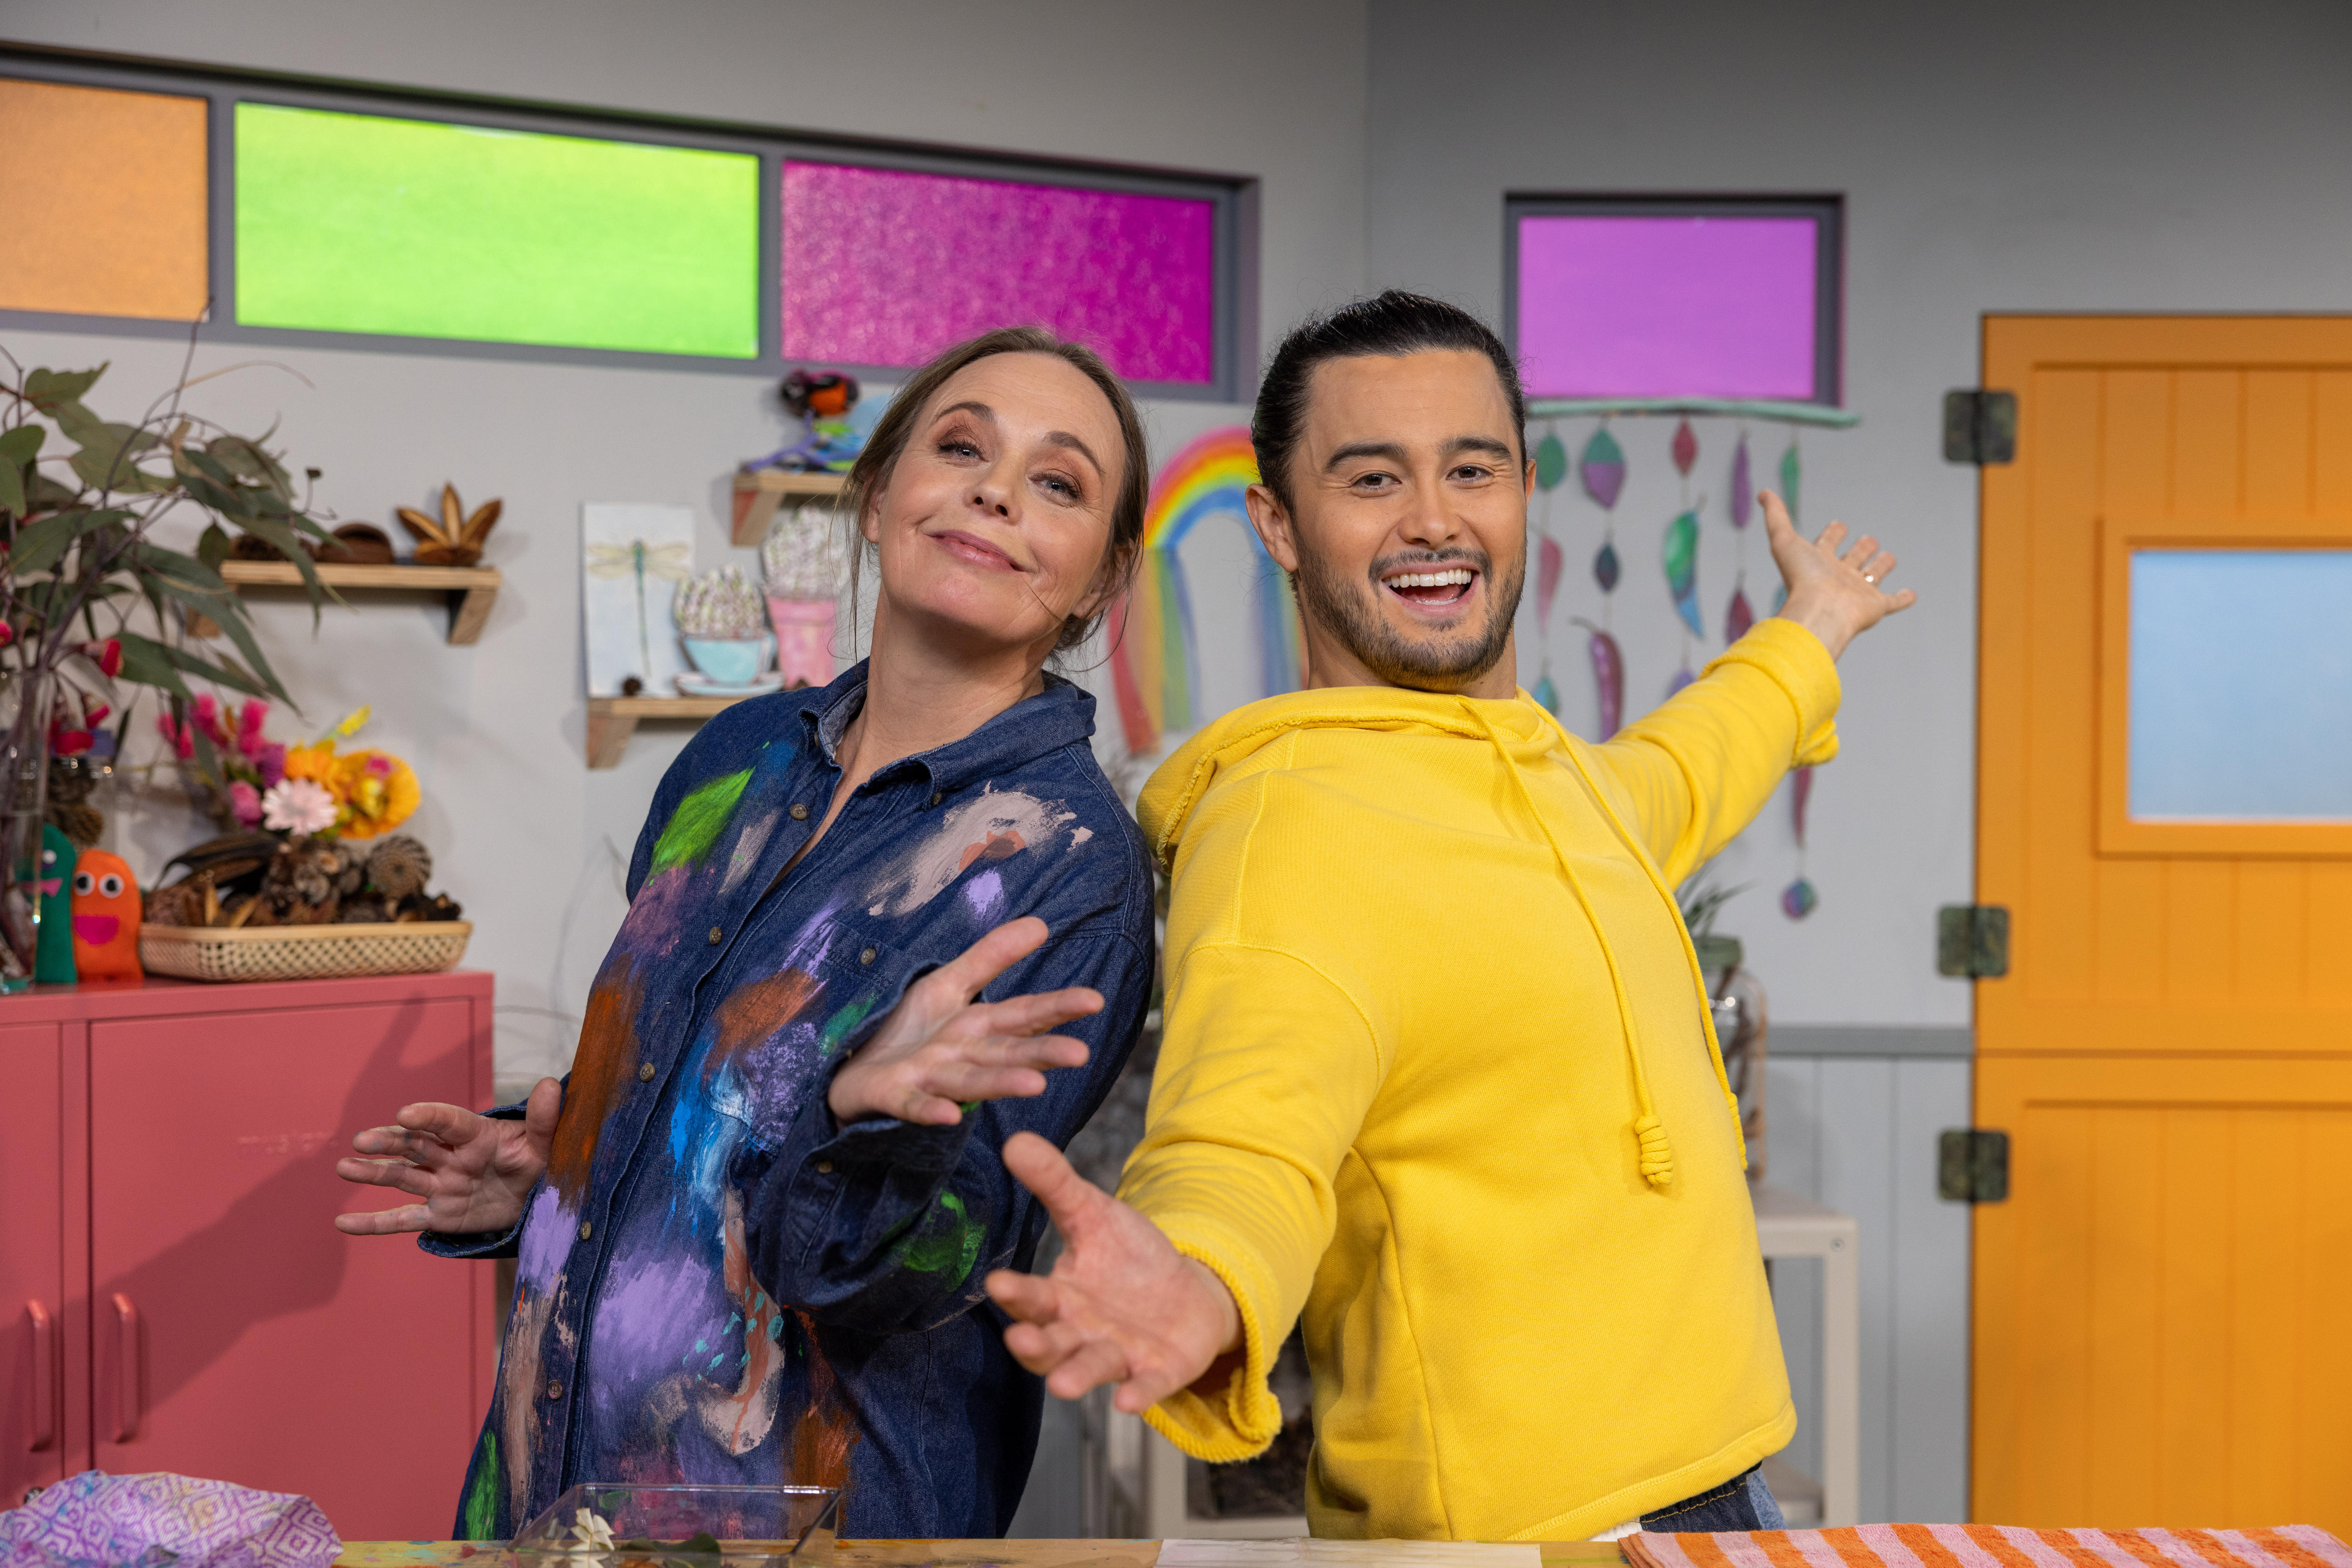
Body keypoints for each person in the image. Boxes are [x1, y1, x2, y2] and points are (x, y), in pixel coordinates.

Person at [984, 292, 1917, 1542]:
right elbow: (1245, 1130)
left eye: (1471, 470)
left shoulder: (1556, 781)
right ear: (1280, 524)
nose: (1433, 517)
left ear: (1525, 490)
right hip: (1518, 1542)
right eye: (1372, 478)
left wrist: (1815, 627)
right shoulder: (1291, 830)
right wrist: (1201, 1277)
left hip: (1719, 1484)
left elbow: (1693, 761)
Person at [334, 327, 1159, 1541]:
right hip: (555, 1488)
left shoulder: (1070, 868)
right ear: (876, 499)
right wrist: (554, 1176)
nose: (995, 489)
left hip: (816, 1525)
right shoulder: (740, 756)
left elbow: (918, 1278)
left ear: (1098, 579)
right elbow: (686, 1090)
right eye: (960, 447)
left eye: (1058, 481)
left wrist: (870, 1122)